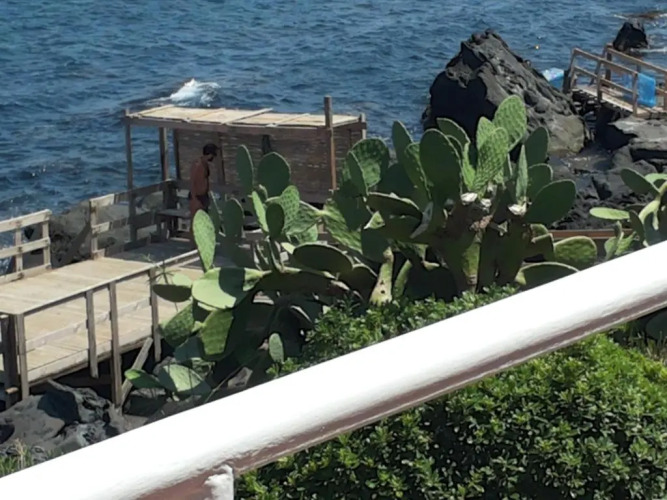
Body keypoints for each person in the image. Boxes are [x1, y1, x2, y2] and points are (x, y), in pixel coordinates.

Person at [189, 143, 218, 218]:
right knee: (196, 220)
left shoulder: (205, 164)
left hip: (204, 196)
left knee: (204, 219)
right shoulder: (198, 164)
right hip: (197, 197)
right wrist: (194, 198)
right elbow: (192, 181)